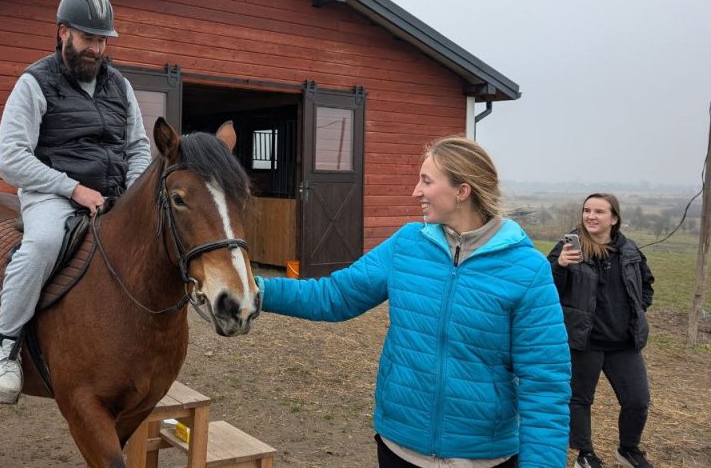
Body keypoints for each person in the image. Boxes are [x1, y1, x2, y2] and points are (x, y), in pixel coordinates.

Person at [256, 136, 571, 468]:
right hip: (400, 448)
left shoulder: (527, 269)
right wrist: (256, 291)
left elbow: (545, 384)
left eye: (427, 181)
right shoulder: (406, 244)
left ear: (462, 191)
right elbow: (335, 296)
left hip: (482, 457)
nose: (415, 191)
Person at [0, 0, 152, 404]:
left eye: (102, 40)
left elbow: (138, 148)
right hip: (52, 194)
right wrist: (72, 188)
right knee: (42, 244)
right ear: (63, 33)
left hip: (114, 195)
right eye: (87, 38)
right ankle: (5, 346)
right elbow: (10, 158)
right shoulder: (34, 83)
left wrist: (133, 195)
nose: (96, 48)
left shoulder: (120, 86)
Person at [548, 193, 655, 468]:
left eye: (599, 211)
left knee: (638, 400)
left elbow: (646, 284)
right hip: (585, 340)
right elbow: (548, 289)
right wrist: (560, 266)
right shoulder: (568, 247)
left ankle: (628, 449)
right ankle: (585, 454)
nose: (591, 216)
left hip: (624, 342)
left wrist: (637, 310)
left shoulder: (629, 250)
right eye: (587, 210)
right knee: (580, 399)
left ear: (614, 218)